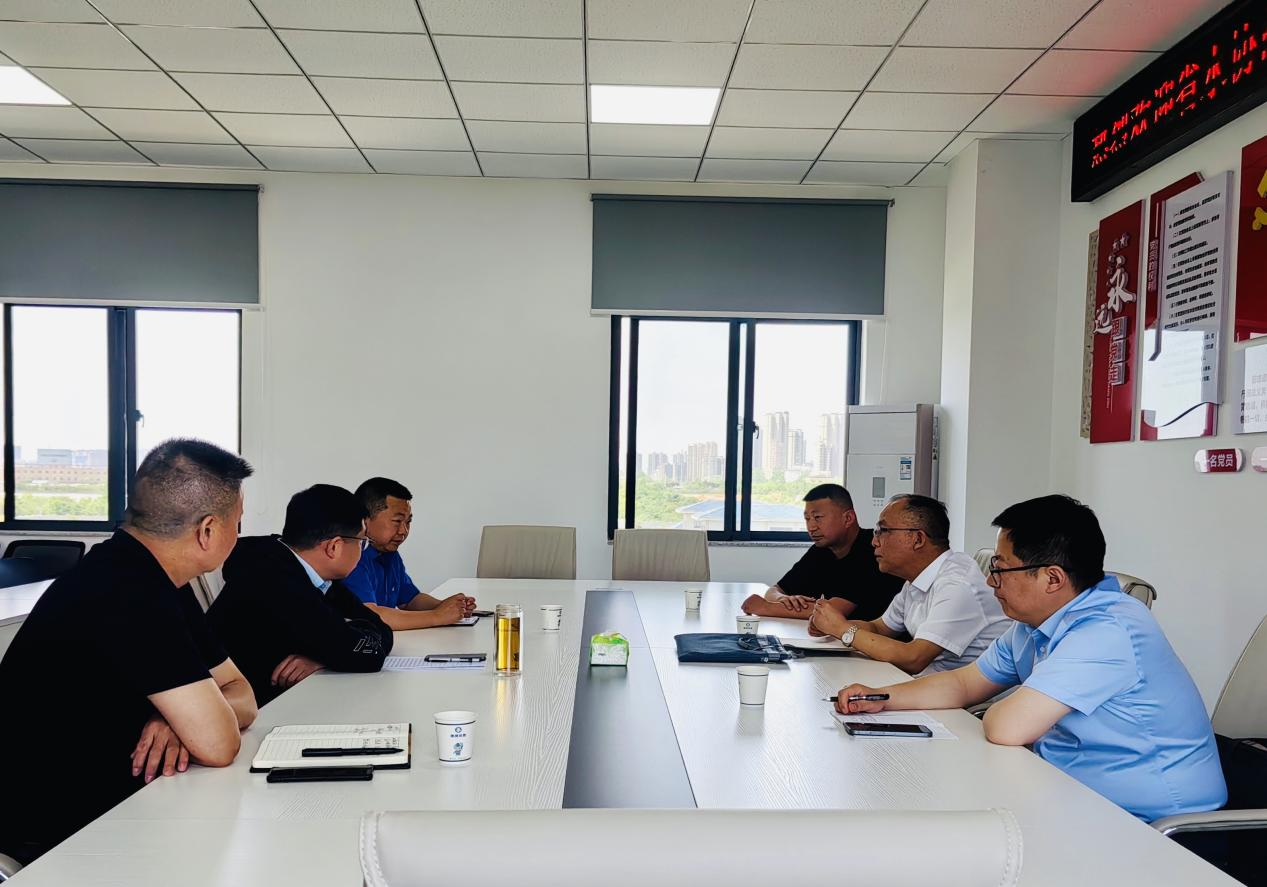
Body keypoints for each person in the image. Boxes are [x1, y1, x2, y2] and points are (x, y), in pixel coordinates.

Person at [835, 494, 1227, 822]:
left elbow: (1008, 727)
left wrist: (993, 713)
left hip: (1150, 824)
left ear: (1052, 578)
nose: (990, 581)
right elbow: (965, 683)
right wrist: (881, 697)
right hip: (1069, 792)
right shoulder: (1035, 623)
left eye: (1001, 569)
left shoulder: (1109, 630)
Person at [0, 439, 258, 866]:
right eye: (239, 523)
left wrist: (174, 720)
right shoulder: (127, 589)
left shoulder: (156, 576)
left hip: (117, 801)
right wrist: (194, 720)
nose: (239, 535)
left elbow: (240, 690)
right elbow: (219, 743)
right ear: (208, 530)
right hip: (57, 834)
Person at [207, 485, 394, 706]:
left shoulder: (313, 576)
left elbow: (381, 630)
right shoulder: (274, 580)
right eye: (362, 542)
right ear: (333, 547)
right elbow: (369, 653)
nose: (363, 550)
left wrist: (325, 656)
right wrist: (336, 651)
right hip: (248, 709)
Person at [809, 493, 1008, 675]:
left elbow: (914, 658)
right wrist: (830, 625)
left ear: (918, 539)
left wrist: (842, 630)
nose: (874, 542)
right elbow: (878, 628)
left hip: (972, 699)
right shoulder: (916, 580)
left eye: (883, 531)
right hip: (934, 686)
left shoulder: (957, 584)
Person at [742, 484, 902, 622]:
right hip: (841, 638)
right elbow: (775, 590)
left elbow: (834, 611)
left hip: (878, 639)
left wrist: (766, 608)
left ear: (848, 518)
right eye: (807, 519)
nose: (811, 527)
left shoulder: (872, 549)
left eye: (818, 517)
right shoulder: (822, 550)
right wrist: (783, 599)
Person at [343, 477, 475, 629]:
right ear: (365, 520)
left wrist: (448, 607)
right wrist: (437, 616)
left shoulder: (390, 553)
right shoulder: (352, 557)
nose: (403, 531)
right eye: (397, 521)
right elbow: (371, 615)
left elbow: (410, 600)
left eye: (408, 522)